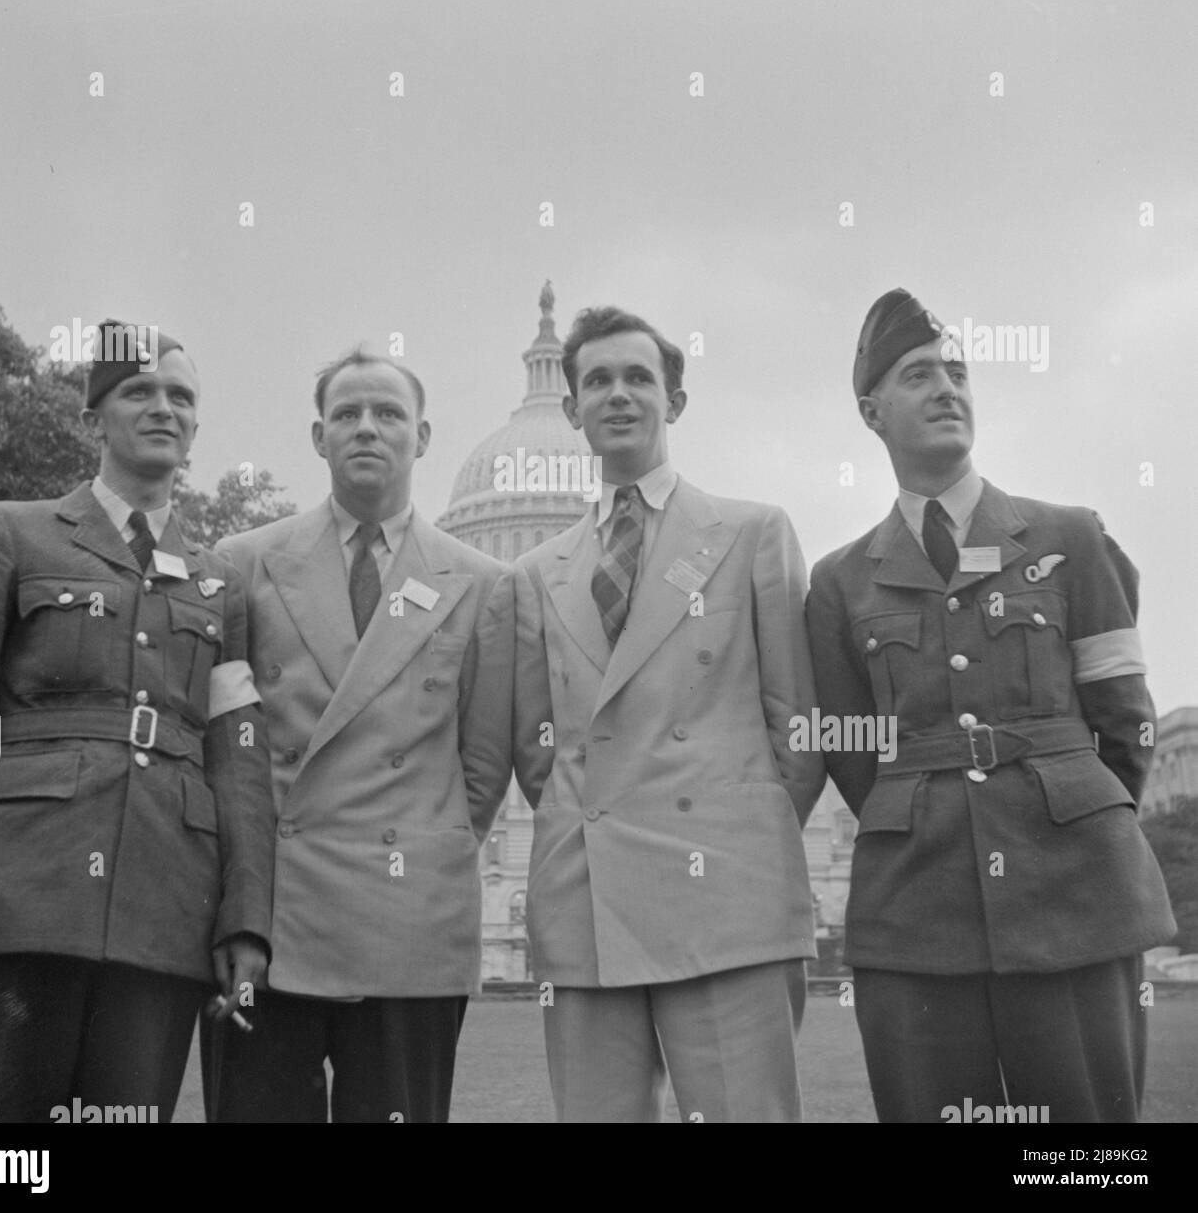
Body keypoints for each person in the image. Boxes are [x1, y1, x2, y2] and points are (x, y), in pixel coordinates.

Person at [806, 288, 1176, 1123]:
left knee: (1087, 1158)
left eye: (958, 372)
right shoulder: (840, 581)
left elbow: (1126, 723)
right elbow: (851, 749)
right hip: (917, 910)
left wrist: (1067, 816)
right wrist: (928, 808)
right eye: (918, 374)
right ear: (872, 411)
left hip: (1074, 893)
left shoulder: (1069, 538)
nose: (947, 388)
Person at [0, 319, 274, 1122]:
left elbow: (237, 761)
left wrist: (245, 922)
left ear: (198, 426)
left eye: (181, 397)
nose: (163, 408)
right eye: (138, 392)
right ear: (92, 418)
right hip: (17, 911)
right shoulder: (6, 534)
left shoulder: (220, 588)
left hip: (161, 919)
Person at [512, 306, 823, 1123]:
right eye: (599, 381)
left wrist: (730, 831)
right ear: (572, 406)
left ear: (674, 402)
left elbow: (800, 730)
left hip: (723, 896)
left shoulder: (754, 533)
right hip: (585, 899)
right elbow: (535, 747)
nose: (619, 395)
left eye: (639, 377)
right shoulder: (539, 571)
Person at [204, 350, 514, 1123]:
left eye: (387, 415)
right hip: (272, 922)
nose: (366, 430)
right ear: (318, 437)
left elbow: (483, 765)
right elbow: (228, 748)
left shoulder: (482, 583)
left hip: (410, 920)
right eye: (347, 415)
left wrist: (422, 844)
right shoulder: (242, 564)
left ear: (424, 435)